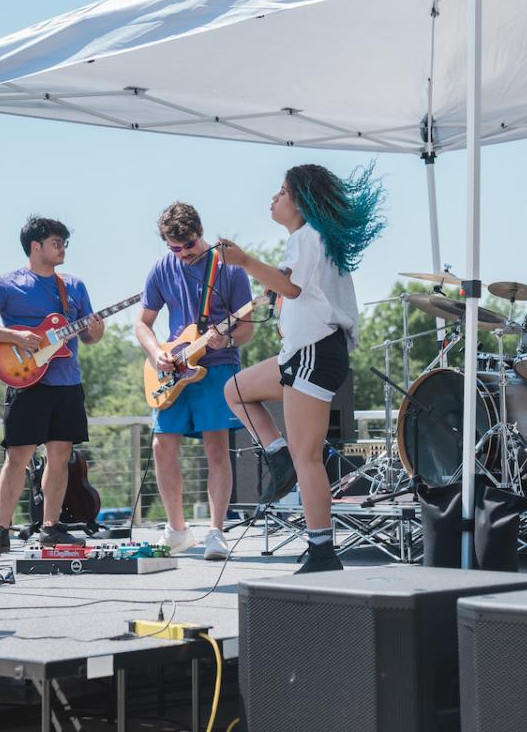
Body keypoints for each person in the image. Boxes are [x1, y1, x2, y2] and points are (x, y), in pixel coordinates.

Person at [220, 164, 385, 574]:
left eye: (280, 192)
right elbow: (297, 293)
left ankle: (323, 551)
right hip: (304, 353)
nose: (273, 199)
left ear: (301, 201)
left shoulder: (308, 237)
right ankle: (279, 457)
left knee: (307, 456)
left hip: (314, 353)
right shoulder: (309, 241)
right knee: (236, 389)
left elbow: (291, 287)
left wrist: (243, 260)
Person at [0, 216, 104, 550]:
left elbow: (90, 337)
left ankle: (51, 526)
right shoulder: (6, 284)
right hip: (27, 381)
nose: (63, 249)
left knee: (61, 456)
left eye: (64, 243)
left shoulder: (74, 286)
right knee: (17, 458)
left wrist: (97, 329)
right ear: (36, 246)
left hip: (67, 382)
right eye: (56, 242)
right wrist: (16, 335)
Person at [135, 202, 254, 561]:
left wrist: (227, 339)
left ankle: (216, 532)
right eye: (174, 247)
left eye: (188, 245)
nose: (183, 253)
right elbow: (143, 323)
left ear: (199, 233)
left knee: (216, 448)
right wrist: (157, 352)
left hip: (217, 366)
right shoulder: (161, 267)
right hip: (172, 368)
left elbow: (246, 328)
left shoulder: (230, 268)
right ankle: (177, 531)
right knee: (161, 446)